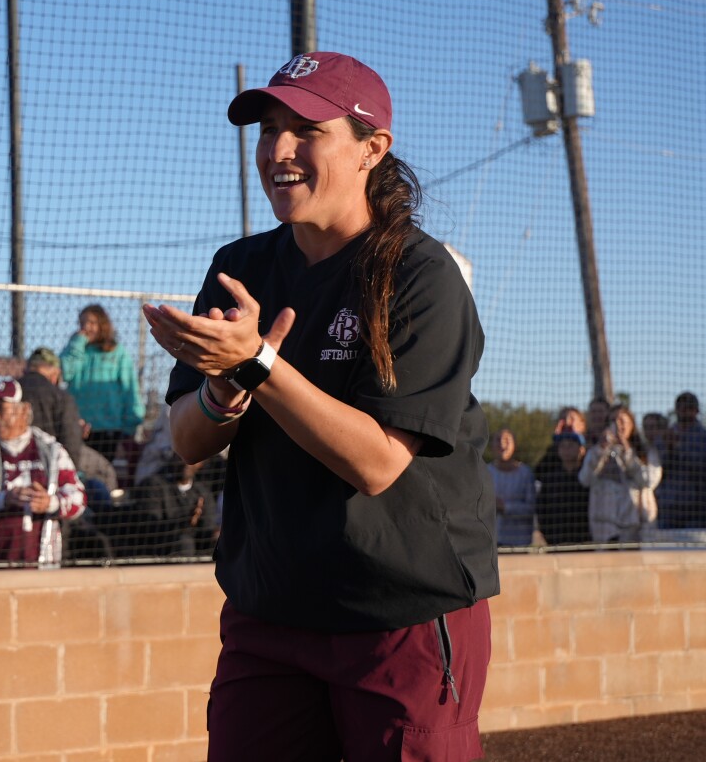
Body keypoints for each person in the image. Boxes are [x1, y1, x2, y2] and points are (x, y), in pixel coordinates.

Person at [143, 51, 497, 760]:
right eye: (268, 128)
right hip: (268, 610)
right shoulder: (239, 266)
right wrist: (222, 386)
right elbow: (186, 439)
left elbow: (375, 462)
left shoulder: (420, 275)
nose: (278, 149)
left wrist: (258, 363)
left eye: (306, 128)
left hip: (399, 616)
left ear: (372, 148)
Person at [0, 379, 86, 567]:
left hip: (40, 566)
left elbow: (78, 499)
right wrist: (3, 500)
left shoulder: (51, 450)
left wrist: (50, 502)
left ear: (24, 410)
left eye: (0, 408)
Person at [18, 346, 116, 492]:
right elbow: (70, 441)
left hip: (13, 458)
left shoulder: (10, 392)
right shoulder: (61, 396)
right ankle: (101, 512)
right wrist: (69, 478)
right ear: (55, 374)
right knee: (106, 471)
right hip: (51, 460)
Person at [60, 304, 145, 461]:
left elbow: (129, 388)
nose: (86, 327)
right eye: (82, 322)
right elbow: (64, 372)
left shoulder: (117, 352)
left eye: (91, 322)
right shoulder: (75, 349)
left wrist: (132, 423)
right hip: (78, 425)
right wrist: (77, 344)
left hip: (108, 429)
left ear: (102, 325)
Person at [578, 403, 662, 543]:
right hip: (606, 527)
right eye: (612, 421)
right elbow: (584, 479)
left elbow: (649, 481)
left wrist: (628, 454)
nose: (617, 425)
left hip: (637, 526)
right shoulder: (596, 451)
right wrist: (600, 452)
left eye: (622, 421)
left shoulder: (646, 452)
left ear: (632, 424)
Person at [657, 391, 706, 530]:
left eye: (689, 408)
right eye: (681, 408)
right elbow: (657, 468)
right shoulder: (666, 436)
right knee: (667, 550)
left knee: (697, 550)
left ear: (696, 411)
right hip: (669, 507)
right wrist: (669, 449)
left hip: (697, 508)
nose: (685, 412)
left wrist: (679, 449)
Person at [535, 430, 591, 546]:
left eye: (570, 445)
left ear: (582, 449)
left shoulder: (588, 477)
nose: (566, 450)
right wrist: (549, 536)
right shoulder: (550, 479)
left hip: (585, 542)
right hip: (556, 542)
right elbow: (542, 510)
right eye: (562, 446)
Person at [490, 428, 536, 548]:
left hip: (520, 542)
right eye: (498, 440)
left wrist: (505, 507)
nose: (502, 444)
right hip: (491, 542)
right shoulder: (485, 471)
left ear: (515, 445)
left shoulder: (525, 473)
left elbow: (531, 508)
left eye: (506, 440)